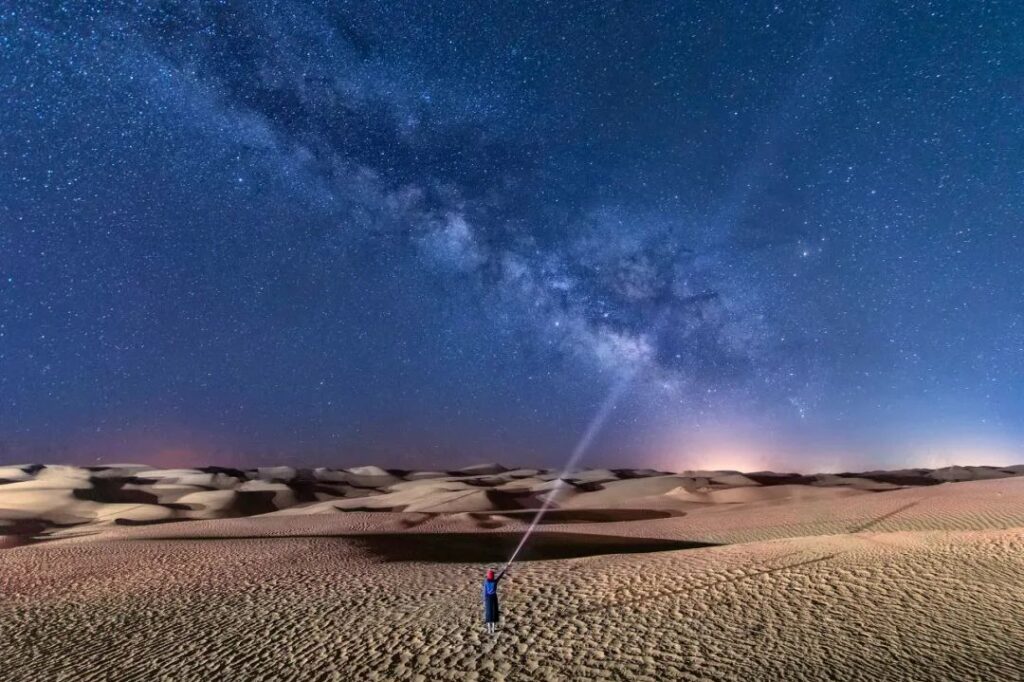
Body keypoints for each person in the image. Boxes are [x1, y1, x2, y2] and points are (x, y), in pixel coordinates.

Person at [482, 566, 507, 634]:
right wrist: (504, 570)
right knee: (494, 612)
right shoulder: (495, 581)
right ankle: (493, 628)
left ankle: (489, 629)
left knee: (488, 613)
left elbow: (484, 591)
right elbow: (499, 576)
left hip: (488, 598)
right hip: (494, 597)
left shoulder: (486, 582)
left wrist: (483, 600)